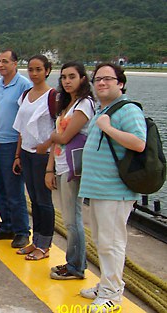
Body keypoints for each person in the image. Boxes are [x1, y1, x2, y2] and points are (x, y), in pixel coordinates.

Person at [78, 63, 146, 312]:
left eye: (108, 78)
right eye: (97, 79)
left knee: (112, 242)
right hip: (98, 189)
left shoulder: (127, 110)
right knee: (101, 240)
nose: (101, 83)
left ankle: (113, 294)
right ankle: (106, 284)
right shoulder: (103, 109)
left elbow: (139, 143)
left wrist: (107, 127)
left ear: (121, 83)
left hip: (115, 191)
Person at [46, 61, 94, 279]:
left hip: (73, 168)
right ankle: (74, 263)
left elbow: (63, 137)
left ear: (82, 79)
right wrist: (49, 169)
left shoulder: (84, 105)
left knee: (72, 220)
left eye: (72, 76)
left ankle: (76, 266)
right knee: (68, 218)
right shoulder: (66, 105)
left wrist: (53, 137)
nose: (67, 81)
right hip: (61, 165)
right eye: (64, 77)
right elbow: (58, 141)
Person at [0, 49, 32, 248]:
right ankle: (6, 226)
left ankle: (21, 231)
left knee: (14, 190)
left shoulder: (23, 85)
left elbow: (25, 119)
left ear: (15, 63)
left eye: (5, 61)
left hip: (11, 144)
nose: (1, 65)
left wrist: (19, 152)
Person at [11, 55, 55, 260]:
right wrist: (18, 155)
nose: (34, 73)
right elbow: (21, 129)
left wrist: (47, 151)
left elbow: (58, 129)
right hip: (27, 153)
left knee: (44, 201)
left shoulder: (53, 97)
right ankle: (36, 241)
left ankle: (44, 245)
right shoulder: (26, 95)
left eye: (39, 69)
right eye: (31, 69)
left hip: (43, 156)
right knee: (34, 200)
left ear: (47, 70)